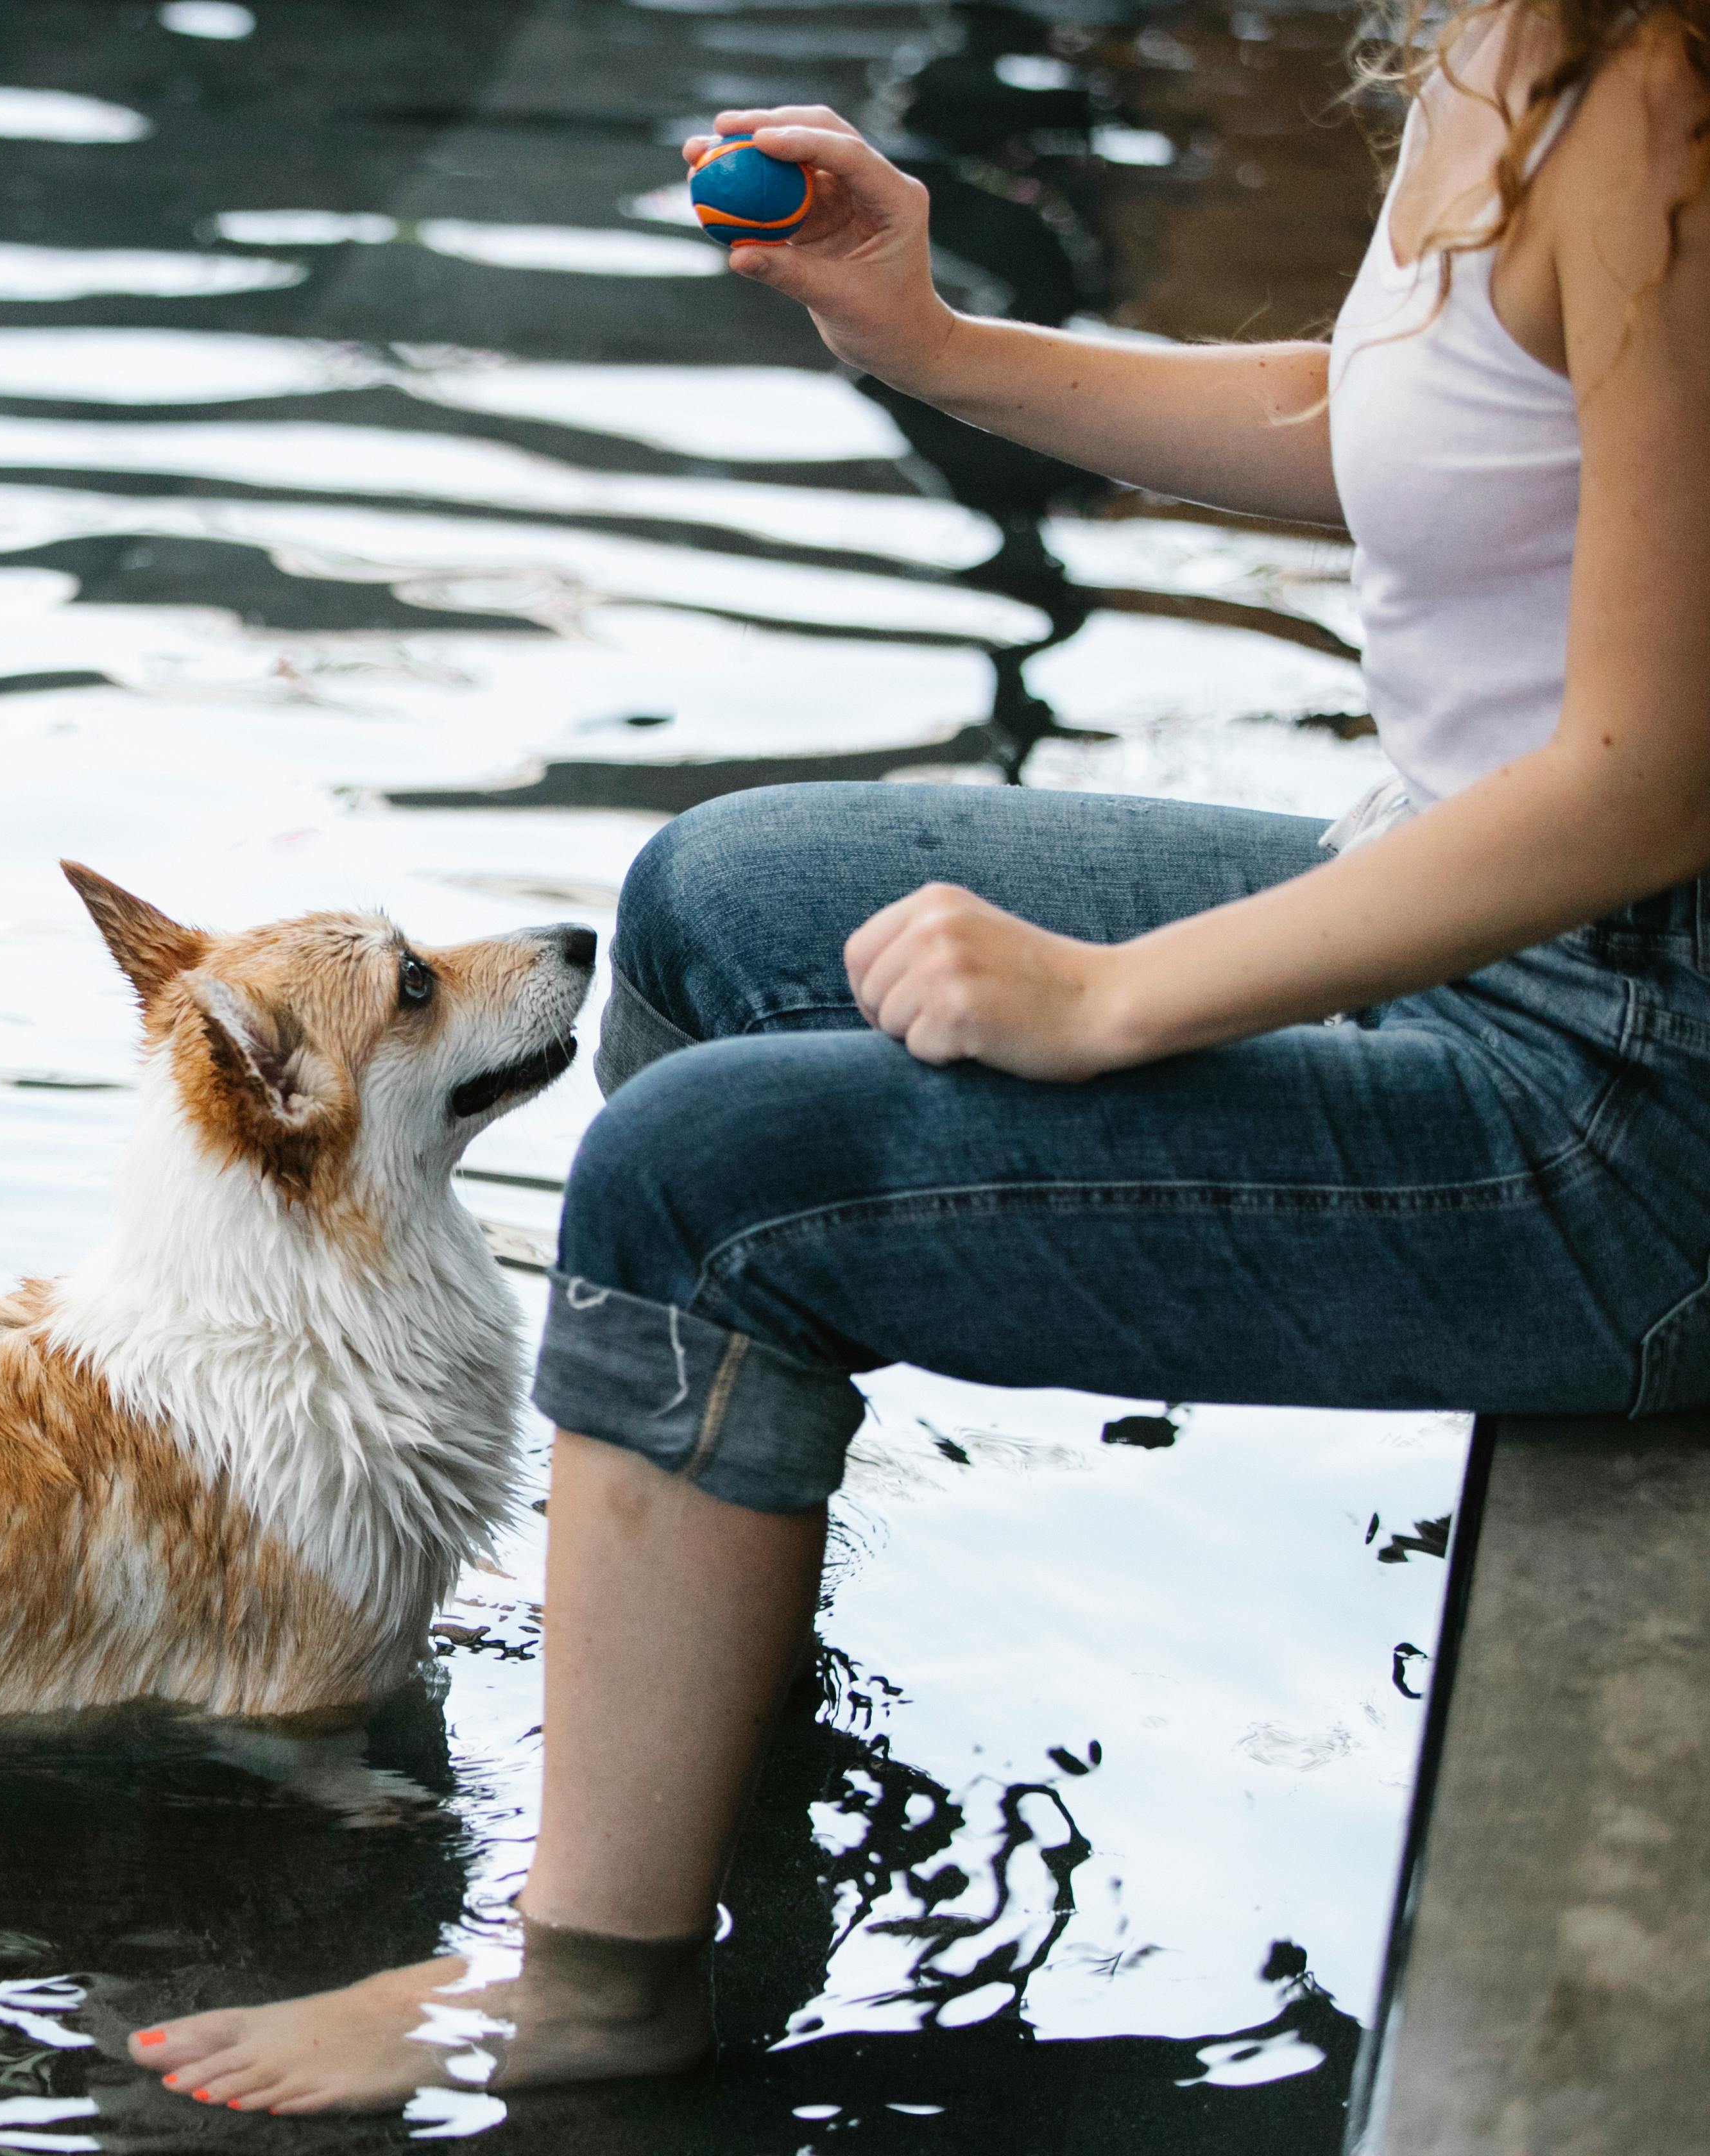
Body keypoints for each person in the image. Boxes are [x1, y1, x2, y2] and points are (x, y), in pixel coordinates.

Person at [124, 0, 1710, 2116]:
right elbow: (1417, 425)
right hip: (1487, 922)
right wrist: (932, 339)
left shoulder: (1666, 87)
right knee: (710, 905)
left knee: (698, 1186)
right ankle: (702, 1722)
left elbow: (1652, 780)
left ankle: (590, 1988)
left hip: (1639, 1088)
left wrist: (1115, 998)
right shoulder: (1515, 34)